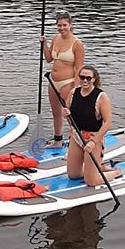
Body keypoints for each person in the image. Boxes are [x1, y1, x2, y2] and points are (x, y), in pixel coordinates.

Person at [62, 65, 122, 186]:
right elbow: (71, 120)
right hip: (77, 135)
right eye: (82, 77)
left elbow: (108, 122)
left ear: (94, 79)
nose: (85, 81)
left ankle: (115, 173)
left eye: (88, 78)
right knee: (73, 175)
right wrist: (66, 114)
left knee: (91, 182)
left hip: (93, 137)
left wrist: (93, 142)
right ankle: (97, 168)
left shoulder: (101, 96)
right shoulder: (73, 93)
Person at [39, 11, 85, 147]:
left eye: (65, 25)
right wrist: (44, 44)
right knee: (56, 113)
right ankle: (58, 140)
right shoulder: (55, 38)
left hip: (68, 83)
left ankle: (75, 144)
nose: (62, 28)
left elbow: (79, 69)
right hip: (53, 81)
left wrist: (75, 89)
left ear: (70, 25)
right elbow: (48, 58)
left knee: (70, 116)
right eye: (59, 25)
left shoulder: (77, 44)